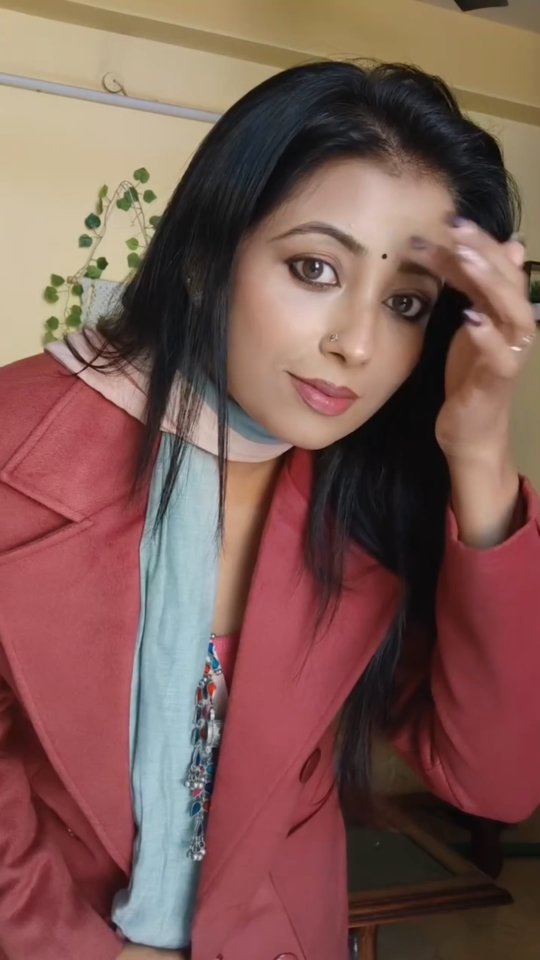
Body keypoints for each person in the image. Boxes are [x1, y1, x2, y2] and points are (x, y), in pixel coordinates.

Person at [0, 59, 539, 960]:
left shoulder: (369, 491)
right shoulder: (19, 446)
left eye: (407, 301)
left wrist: (480, 454)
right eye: (314, 267)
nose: (357, 344)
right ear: (206, 258)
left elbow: (493, 779)